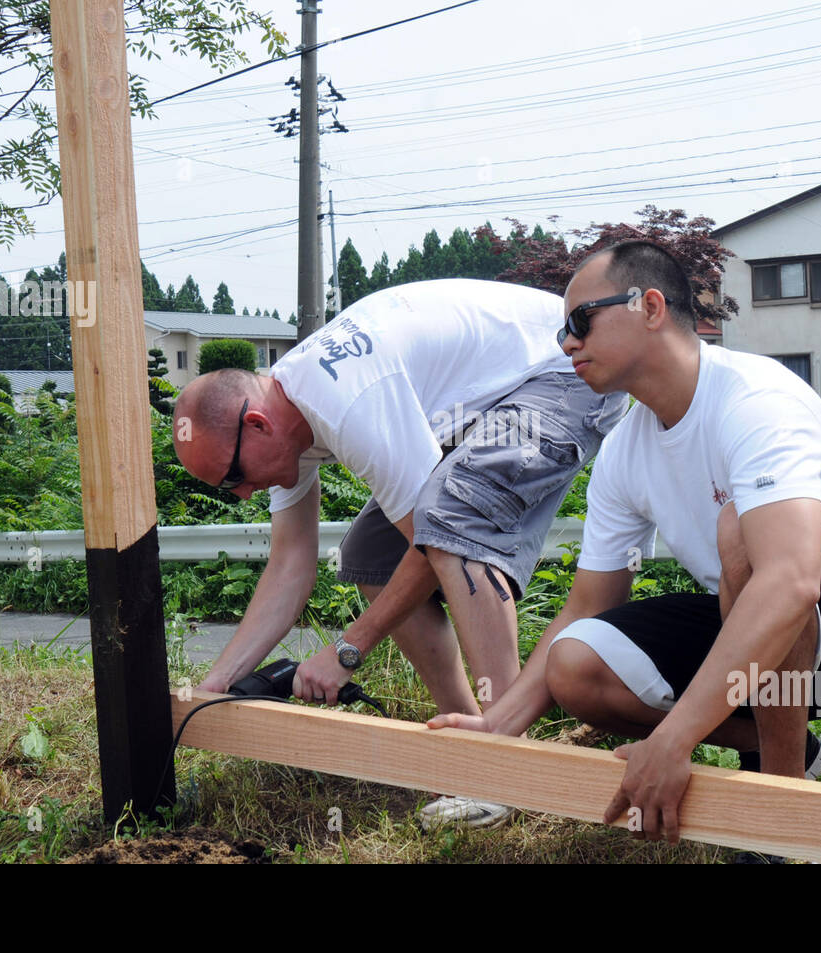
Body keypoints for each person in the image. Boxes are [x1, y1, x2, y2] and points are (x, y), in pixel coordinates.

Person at [429, 241, 821, 843]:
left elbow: (791, 581)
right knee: (575, 663)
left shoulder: (755, 400)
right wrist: (498, 729)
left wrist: (673, 740)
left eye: (580, 322)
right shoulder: (625, 448)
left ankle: (776, 814)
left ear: (649, 306)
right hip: (764, 639)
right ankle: (789, 745)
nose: (566, 343)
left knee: (745, 535)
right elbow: (589, 604)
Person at [172, 278, 627, 828]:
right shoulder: (289, 413)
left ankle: (506, 761)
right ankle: (461, 732)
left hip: (564, 371)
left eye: (235, 477)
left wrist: (346, 649)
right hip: (487, 398)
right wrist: (219, 681)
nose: (243, 493)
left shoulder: (345, 403)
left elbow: (437, 540)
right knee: (373, 554)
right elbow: (291, 562)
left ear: (256, 424)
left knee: (459, 530)